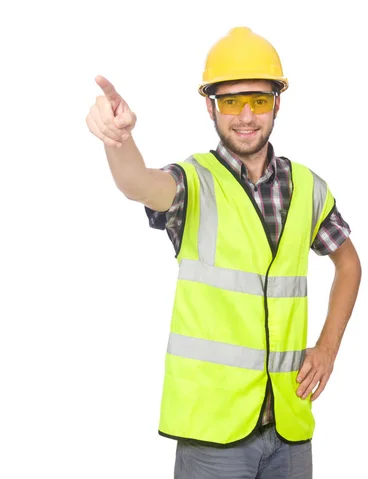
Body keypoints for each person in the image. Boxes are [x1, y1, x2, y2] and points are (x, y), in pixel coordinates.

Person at [85, 26, 361, 478]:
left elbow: (348, 262)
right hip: (212, 436)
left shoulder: (309, 188)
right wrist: (119, 141)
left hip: (289, 426)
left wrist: (328, 348)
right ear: (209, 106)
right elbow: (139, 183)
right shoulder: (194, 182)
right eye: (231, 101)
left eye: (258, 99)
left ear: (277, 102)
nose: (246, 115)